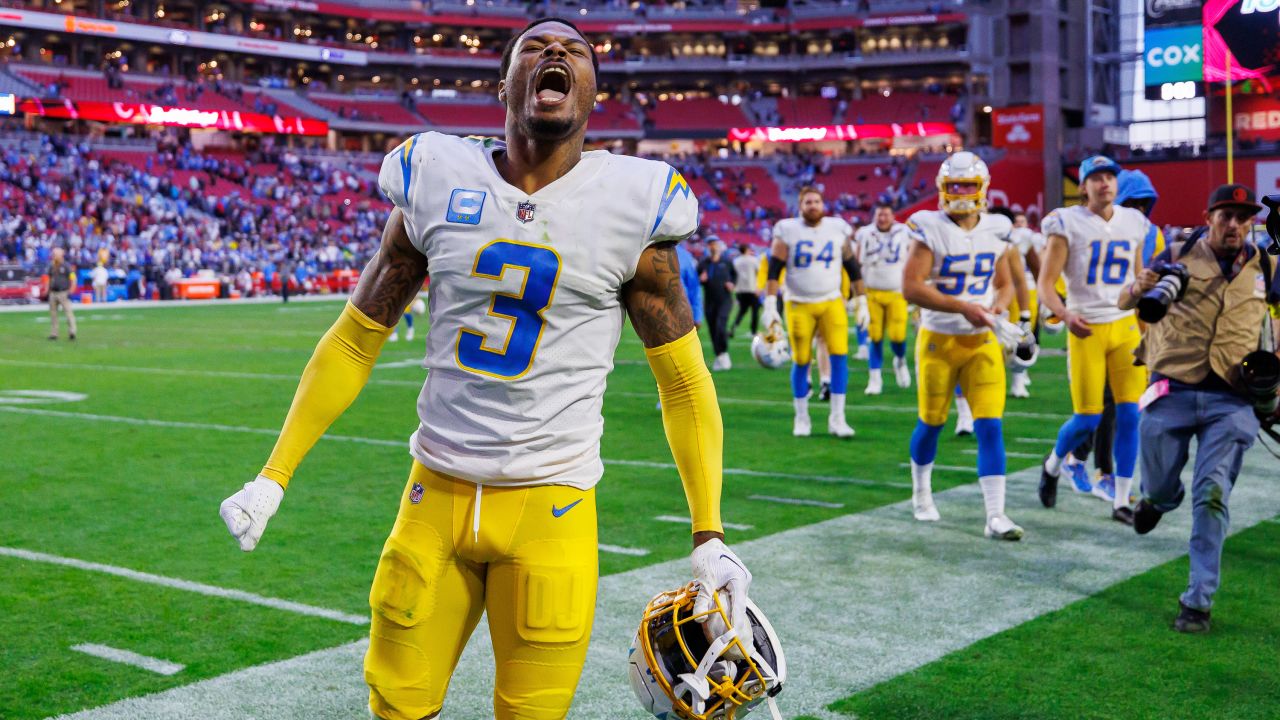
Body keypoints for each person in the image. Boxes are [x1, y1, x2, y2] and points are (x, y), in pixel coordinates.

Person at [218, 18, 757, 720]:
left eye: (575, 50)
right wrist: (274, 474)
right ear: (503, 84)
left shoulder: (633, 203)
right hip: (432, 497)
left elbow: (682, 380)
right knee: (395, 702)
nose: (555, 51)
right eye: (534, 46)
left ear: (594, 96)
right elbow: (356, 339)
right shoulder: (436, 176)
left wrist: (708, 533)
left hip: (552, 508)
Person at [1121, 183, 1280, 633]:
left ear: (1253, 221)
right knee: (1161, 483)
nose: (1235, 225)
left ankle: (1197, 602)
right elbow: (1126, 301)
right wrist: (1139, 285)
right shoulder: (1174, 253)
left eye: (1243, 217)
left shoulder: (1268, 264)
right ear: (1208, 216)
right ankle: (1156, 499)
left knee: (1212, 494)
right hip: (1171, 387)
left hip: (1233, 397)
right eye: (1226, 216)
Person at [902, 151, 1024, 540]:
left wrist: (996, 311)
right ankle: (922, 493)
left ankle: (995, 515)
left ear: (982, 189)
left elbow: (1005, 284)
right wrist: (965, 307)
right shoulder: (928, 227)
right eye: (953, 186)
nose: (959, 193)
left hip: (981, 340)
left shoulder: (998, 228)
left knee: (990, 424)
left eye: (967, 186)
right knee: (932, 422)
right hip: (939, 339)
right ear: (941, 188)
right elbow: (912, 287)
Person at [1037, 156, 1149, 525]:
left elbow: (1135, 277)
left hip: (1124, 327)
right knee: (1087, 419)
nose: (1105, 184)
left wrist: (1145, 299)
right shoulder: (1066, 222)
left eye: (1110, 177)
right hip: (1086, 327)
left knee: (1130, 414)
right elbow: (1045, 283)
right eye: (1097, 178)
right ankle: (1054, 464)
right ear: (1083, 185)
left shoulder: (1134, 221)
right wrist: (1066, 314)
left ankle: (1120, 500)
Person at [1067, 169, 1166, 495]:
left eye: (1143, 204)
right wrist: (1061, 314)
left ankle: (1081, 461)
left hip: (1133, 332)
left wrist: (1152, 334)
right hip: (1096, 326)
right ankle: (1099, 470)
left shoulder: (1153, 235)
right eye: (1132, 203)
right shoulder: (1087, 229)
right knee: (1103, 408)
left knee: (1124, 409)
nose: (1138, 210)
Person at [761, 185, 868, 438]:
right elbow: (774, 269)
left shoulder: (836, 228)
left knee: (839, 357)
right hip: (799, 303)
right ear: (800, 206)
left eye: (816, 201)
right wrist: (769, 303)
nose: (813, 206)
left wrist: (862, 299)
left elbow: (852, 265)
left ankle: (838, 419)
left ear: (823, 204)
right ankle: (802, 417)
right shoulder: (787, 230)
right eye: (808, 202)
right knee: (800, 359)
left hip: (832, 301)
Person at [854, 201, 912, 394]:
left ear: (893, 216)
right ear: (874, 216)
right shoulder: (864, 233)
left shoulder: (905, 232)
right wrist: (856, 293)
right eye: (879, 214)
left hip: (897, 293)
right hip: (872, 293)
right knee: (875, 336)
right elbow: (856, 262)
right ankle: (874, 378)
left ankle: (900, 361)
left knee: (898, 337)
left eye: (886, 214)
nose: (882, 218)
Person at [1006, 211, 1044, 398]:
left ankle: (1018, 380)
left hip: (1024, 289)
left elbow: (1037, 265)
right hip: (996, 292)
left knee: (1022, 335)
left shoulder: (1027, 238)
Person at [698, 236, 737, 371]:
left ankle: (724, 353)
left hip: (725, 300)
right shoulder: (703, 263)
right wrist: (701, 279)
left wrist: (732, 283)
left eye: (715, 244)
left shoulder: (727, 262)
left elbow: (734, 276)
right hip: (709, 301)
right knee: (713, 329)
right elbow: (696, 280)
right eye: (710, 244)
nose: (713, 247)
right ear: (707, 247)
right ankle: (719, 355)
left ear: (719, 246)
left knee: (721, 325)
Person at [730, 243, 762, 337]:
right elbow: (760, 273)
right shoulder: (754, 260)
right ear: (747, 250)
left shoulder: (735, 261)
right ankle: (753, 331)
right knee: (755, 311)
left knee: (742, 311)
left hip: (740, 290)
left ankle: (733, 328)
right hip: (752, 289)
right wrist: (759, 288)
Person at [46, 247, 76, 341]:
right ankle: (54, 333)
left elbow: (73, 279)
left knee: (68, 313)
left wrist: (71, 290)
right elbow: (49, 278)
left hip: (63, 292)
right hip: (53, 293)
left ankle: (72, 331)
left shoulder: (66, 266)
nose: (53, 256)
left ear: (60, 255)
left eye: (55, 254)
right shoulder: (51, 266)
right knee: (53, 314)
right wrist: (48, 290)